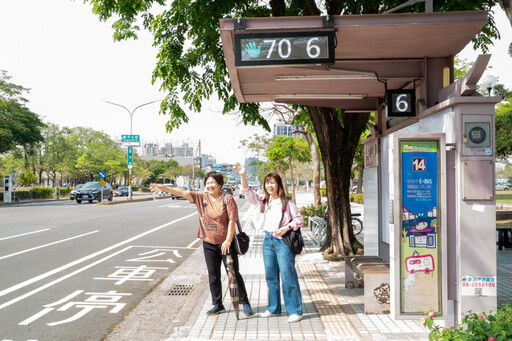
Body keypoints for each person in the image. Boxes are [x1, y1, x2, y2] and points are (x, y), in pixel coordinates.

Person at [149, 172, 253, 317]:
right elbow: (183, 192)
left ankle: (244, 302)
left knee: (233, 273)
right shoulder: (201, 198)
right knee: (213, 275)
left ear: (220, 185)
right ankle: (217, 304)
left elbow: (232, 220)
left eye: (213, 183)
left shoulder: (227, 198)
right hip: (208, 243)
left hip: (225, 243)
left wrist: (228, 240)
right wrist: (163, 188)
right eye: (208, 183)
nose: (210, 185)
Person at [235, 164, 304, 323]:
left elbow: (299, 219)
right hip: (268, 241)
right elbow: (246, 192)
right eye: (267, 183)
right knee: (271, 276)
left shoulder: (286, 202)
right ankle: (274, 308)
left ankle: (294, 311)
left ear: (278, 184)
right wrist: (243, 176)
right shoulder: (262, 201)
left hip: (282, 243)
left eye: (273, 182)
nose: (269, 185)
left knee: (288, 276)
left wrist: (286, 228)